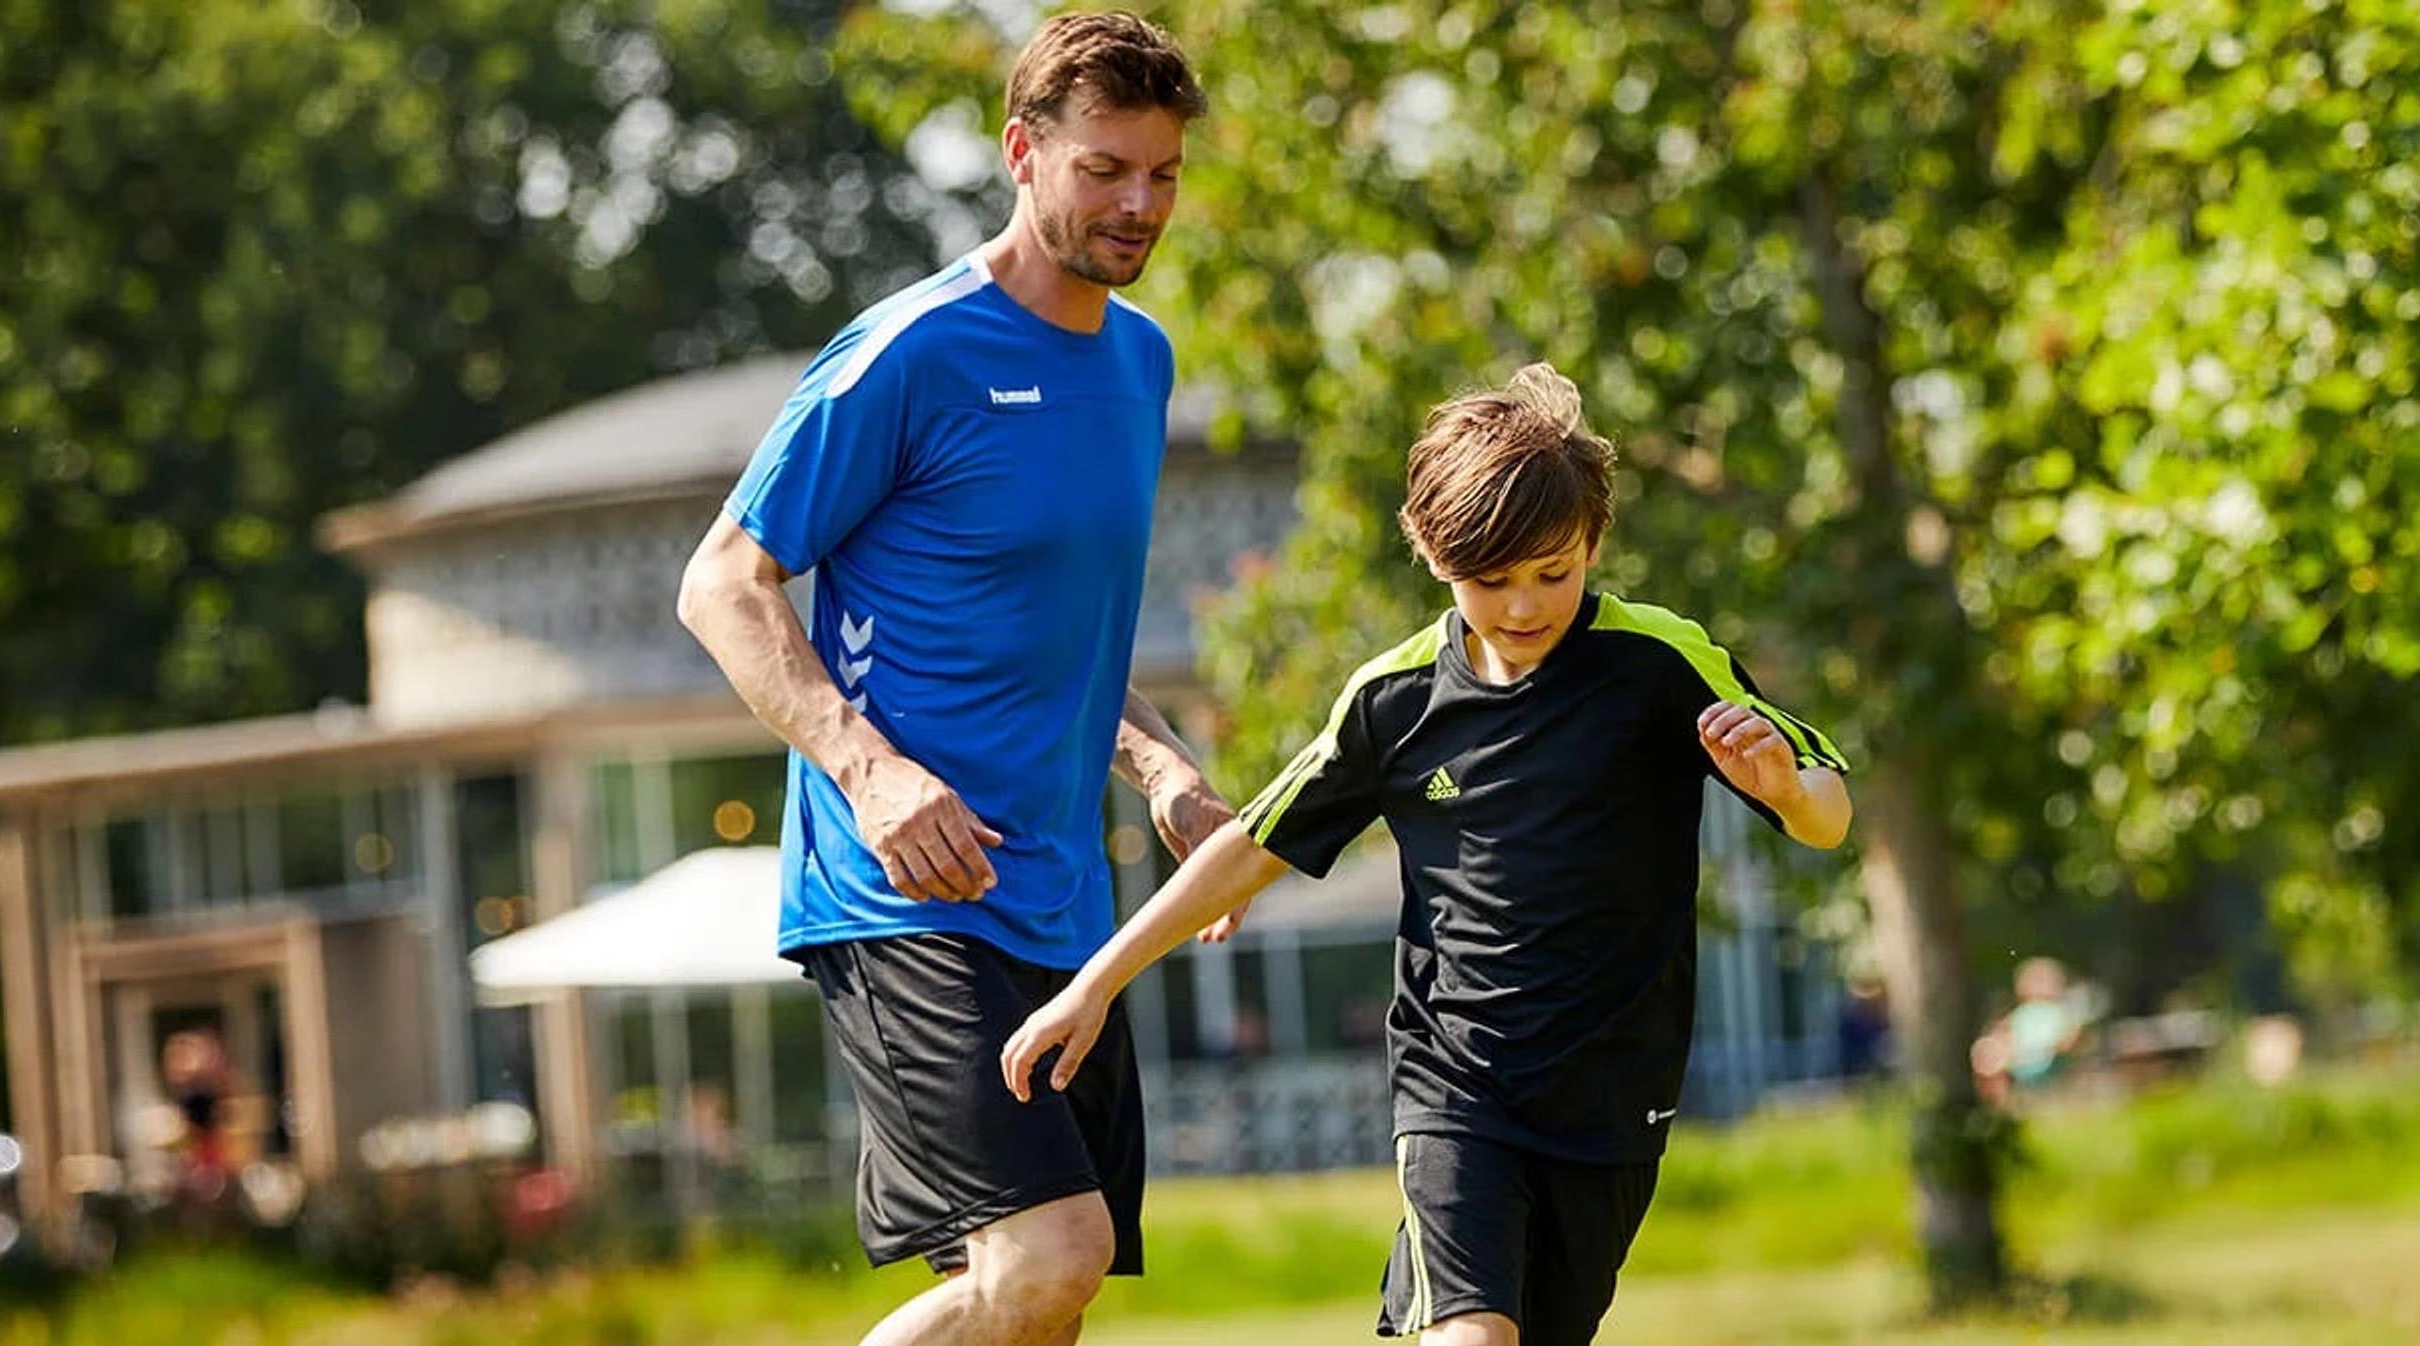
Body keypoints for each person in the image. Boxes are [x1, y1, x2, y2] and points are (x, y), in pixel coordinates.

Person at [999, 364, 1855, 1346]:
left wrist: (1784, 786)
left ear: (1593, 543)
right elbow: (1250, 845)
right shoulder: (1393, 697)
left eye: (1554, 572)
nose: (1526, 606)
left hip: (1616, 1093)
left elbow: (1828, 810)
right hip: (1459, 1084)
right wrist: (1096, 982)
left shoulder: (1659, 658)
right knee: (1472, 1336)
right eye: (1490, 581)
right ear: (1434, 556)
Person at [672, 12, 1221, 1344]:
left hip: (1061, 893)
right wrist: (869, 771)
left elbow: (1060, 636)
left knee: (1034, 1287)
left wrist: (1161, 766)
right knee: (1052, 1246)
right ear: (1022, 153)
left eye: (1161, 172)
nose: (1138, 203)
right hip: (904, 889)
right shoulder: (906, 354)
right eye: (1105, 169)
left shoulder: (1139, 362)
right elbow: (722, 585)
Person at [1970, 957, 2092, 1110]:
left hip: (2044, 1061)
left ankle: (1995, 1103)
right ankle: (1994, 1099)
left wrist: (2057, 1046)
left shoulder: (2057, 1013)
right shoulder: (2022, 1013)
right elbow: (2006, 1033)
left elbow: (2071, 1038)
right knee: (1988, 1052)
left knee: (1996, 1062)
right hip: (2019, 1059)